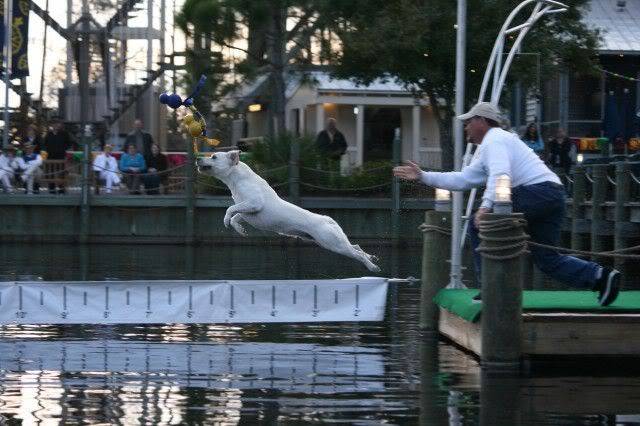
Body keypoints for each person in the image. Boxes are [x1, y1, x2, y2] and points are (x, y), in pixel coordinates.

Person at [393, 102, 621, 307]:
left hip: (537, 193)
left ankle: (490, 287)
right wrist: (423, 175)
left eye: (468, 122)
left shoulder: (496, 139)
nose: (465, 128)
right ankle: (601, 276)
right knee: (547, 260)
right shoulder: (491, 146)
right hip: (553, 194)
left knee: (477, 225)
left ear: (481, 121)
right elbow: (463, 179)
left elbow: (501, 174)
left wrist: (484, 209)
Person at [43, 119, 75, 194]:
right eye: (54, 124)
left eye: (57, 123)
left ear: (60, 124)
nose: (55, 125)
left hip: (61, 157)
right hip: (50, 157)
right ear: (52, 125)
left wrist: (63, 149)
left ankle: (61, 190)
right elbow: (45, 144)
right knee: (50, 174)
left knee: (62, 174)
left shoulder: (64, 134)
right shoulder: (49, 134)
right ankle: (52, 190)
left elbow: (69, 143)